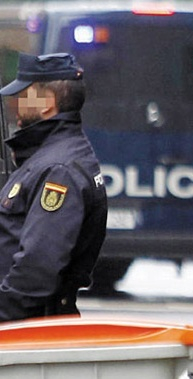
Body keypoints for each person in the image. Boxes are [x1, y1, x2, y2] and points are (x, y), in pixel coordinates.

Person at [0, 52, 107, 321]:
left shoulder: (59, 170)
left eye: (25, 95)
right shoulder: (48, 158)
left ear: (47, 103)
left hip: (28, 332)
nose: (16, 103)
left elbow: (36, 269)